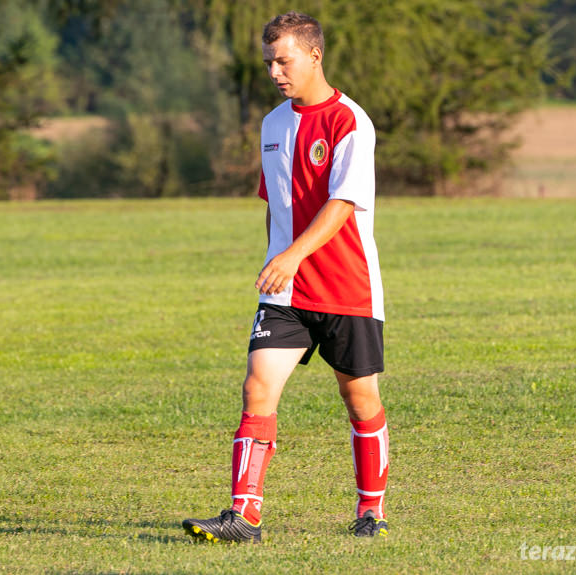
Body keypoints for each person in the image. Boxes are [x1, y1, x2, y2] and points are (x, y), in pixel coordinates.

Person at [182, 11, 388, 543]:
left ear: (314, 55)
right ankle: (243, 516)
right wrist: (279, 258)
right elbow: (273, 202)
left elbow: (344, 203)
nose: (275, 71)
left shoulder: (350, 122)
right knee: (257, 387)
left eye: (284, 60)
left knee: (360, 398)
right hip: (286, 292)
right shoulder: (273, 124)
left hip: (347, 285)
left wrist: (293, 254)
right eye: (269, 61)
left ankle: (371, 512)